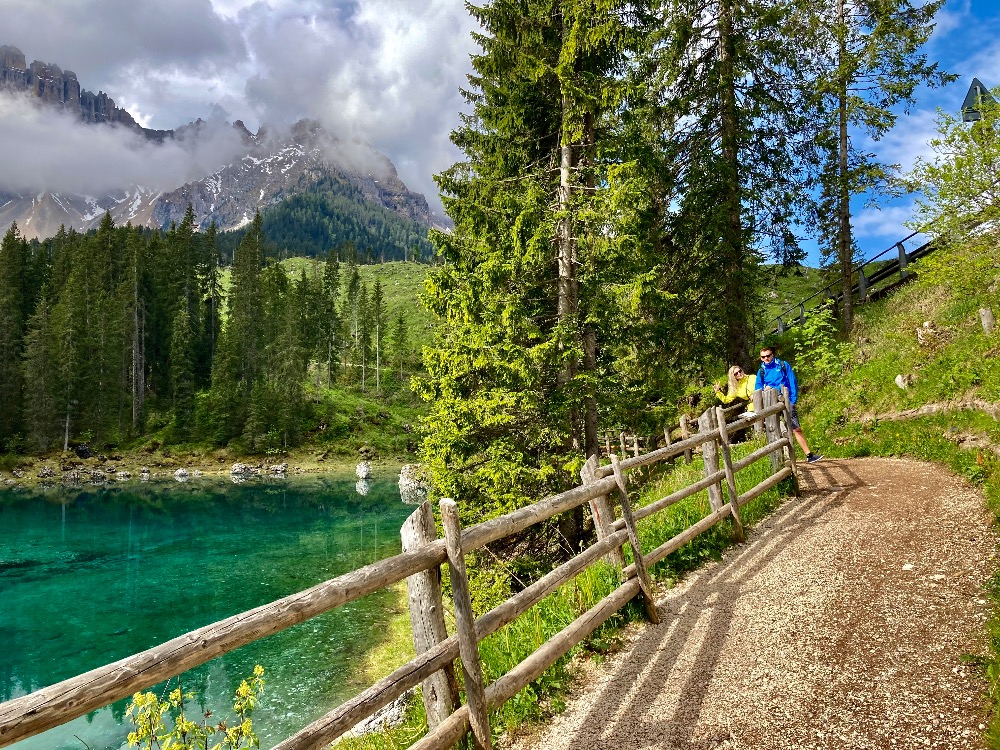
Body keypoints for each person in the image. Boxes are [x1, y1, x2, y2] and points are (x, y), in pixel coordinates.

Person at [755, 345, 823, 463]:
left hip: (786, 401)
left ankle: (809, 455)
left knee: (796, 428)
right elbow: (758, 387)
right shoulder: (761, 371)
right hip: (770, 404)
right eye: (763, 357)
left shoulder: (783, 365)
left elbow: (792, 382)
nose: (766, 358)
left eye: (768, 356)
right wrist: (763, 390)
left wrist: (793, 400)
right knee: (773, 429)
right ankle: (779, 460)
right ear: (761, 358)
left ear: (773, 355)